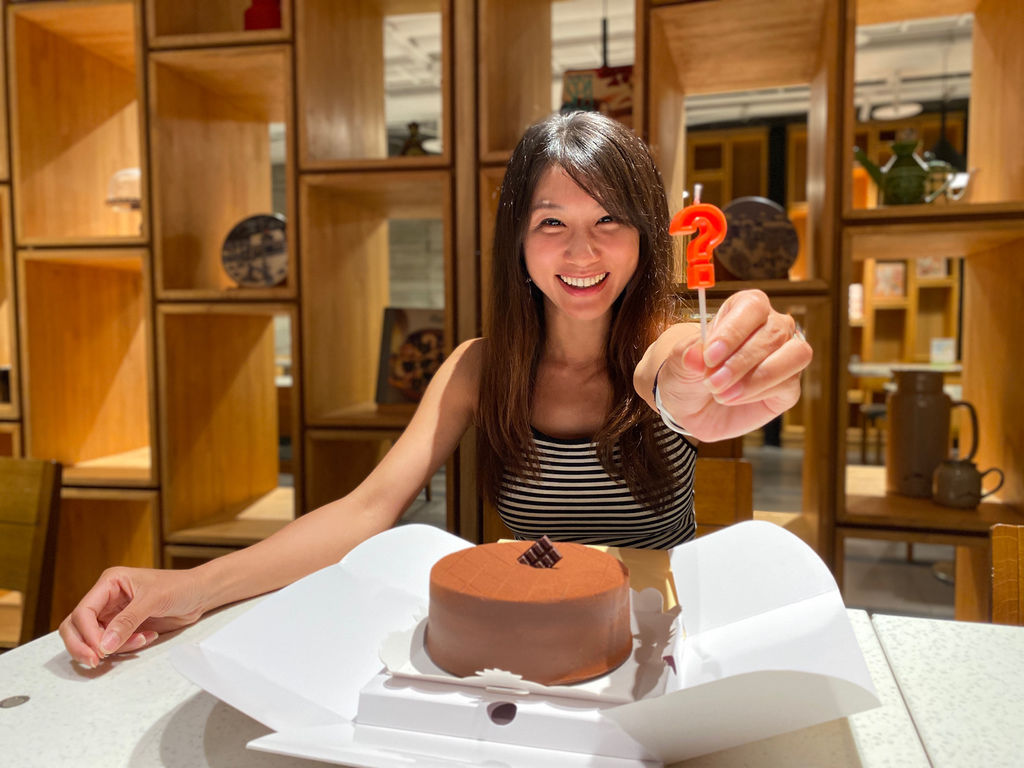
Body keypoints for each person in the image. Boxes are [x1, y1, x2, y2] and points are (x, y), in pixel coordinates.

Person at [60, 111, 812, 669]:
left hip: (652, 652)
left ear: (647, 237)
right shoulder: (479, 370)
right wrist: (194, 585)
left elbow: (672, 371)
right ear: (518, 241)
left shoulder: (665, 342)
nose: (582, 250)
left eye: (609, 220)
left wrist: (694, 384)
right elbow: (364, 511)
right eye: (553, 221)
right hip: (513, 655)